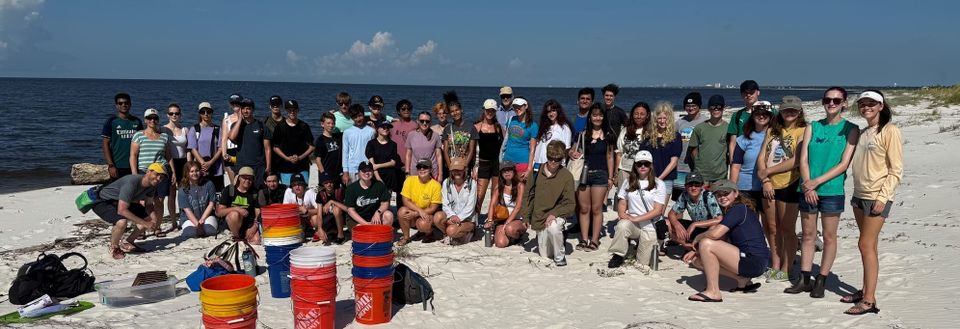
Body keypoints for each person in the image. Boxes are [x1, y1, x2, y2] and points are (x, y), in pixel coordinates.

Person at [788, 87, 859, 298]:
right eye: (828, 100)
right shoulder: (813, 127)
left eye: (837, 100)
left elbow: (844, 163)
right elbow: (803, 159)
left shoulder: (851, 129)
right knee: (808, 235)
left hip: (831, 190)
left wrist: (816, 182)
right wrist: (808, 184)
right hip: (807, 188)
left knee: (829, 236)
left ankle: (822, 279)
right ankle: (805, 278)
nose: (832, 103)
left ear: (844, 103)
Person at [844, 90, 903, 315]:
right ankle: (866, 289)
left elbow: (896, 170)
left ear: (881, 106)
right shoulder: (863, 132)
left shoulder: (890, 130)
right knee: (870, 246)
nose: (866, 107)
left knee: (865, 245)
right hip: (859, 195)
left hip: (876, 197)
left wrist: (883, 197)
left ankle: (869, 301)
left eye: (871, 103)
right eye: (863, 104)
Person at [682, 180, 771, 302]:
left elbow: (714, 235)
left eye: (726, 193)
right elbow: (721, 238)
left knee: (706, 243)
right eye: (719, 195)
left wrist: (697, 238)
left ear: (736, 193)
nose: (722, 197)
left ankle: (713, 291)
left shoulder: (738, 209)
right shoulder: (732, 211)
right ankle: (742, 280)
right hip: (751, 260)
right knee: (697, 261)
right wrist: (696, 251)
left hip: (753, 261)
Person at [755, 96, 806, 283]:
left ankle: (787, 267)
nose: (790, 113)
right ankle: (776, 265)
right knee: (772, 228)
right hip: (769, 184)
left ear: (799, 111)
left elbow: (797, 160)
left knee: (787, 229)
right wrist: (766, 179)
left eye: (793, 109)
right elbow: (762, 156)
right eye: (786, 110)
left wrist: (768, 171)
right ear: (781, 111)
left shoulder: (803, 130)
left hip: (789, 184)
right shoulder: (772, 130)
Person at [607, 151, 667, 268]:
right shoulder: (628, 181)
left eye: (646, 164)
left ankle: (642, 245)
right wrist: (622, 214)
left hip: (650, 225)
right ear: (635, 165)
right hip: (633, 223)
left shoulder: (659, 184)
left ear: (651, 165)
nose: (643, 166)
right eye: (639, 164)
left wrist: (635, 218)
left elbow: (658, 210)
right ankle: (618, 254)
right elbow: (622, 202)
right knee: (622, 225)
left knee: (643, 262)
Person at [521, 140, 576, 266]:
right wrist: (525, 216)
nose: (553, 162)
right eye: (550, 158)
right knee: (545, 254)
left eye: (557, 159)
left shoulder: (567, 176)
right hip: (539, 217)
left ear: (562, 159)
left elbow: (570, 204)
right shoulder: (536, 171)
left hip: (555, 216)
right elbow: (528, 195)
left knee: (554, 227)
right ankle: (557, 238)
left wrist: (554, 213)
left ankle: (560, 257)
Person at [93, 163, 164, 259]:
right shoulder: (132, 182)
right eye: (157, 174)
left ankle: (128, 242)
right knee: (121, 222)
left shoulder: (152, 186)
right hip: (103, 201)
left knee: (149, 219)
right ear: (148, 172)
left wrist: (154, 220)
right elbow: (122, 210)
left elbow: (149, 205)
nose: (159, 178)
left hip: (121, 202)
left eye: (162, 177)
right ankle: (114, 247)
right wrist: (145, 224)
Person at [641, 102, 684, 251]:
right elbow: (643, 158)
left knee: (659, 212)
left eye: (665, 118)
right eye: (659, 118)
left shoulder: (675, 137)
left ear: (669, 118)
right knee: (647, 211)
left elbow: (674, 161)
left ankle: (659, 244)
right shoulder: (648, 136)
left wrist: (659, 177)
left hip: (665, 180)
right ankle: (647, 240)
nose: (662, 121)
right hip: (647, 179)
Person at [572, 103, 614, 252]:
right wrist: (573, 153)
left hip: (601, 174)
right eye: (594, 115)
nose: (597, 118)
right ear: (590, 117)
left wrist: (611, 177)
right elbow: (573, 150)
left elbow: (610, 157)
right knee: (584, 208)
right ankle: (584, 239)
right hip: (583, 173)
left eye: (600, 115)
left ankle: (595, 240)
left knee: (597, 209)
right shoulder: (583, 134)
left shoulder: (608, 136)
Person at [130, 108, 173, 237]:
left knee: (159, 201)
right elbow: (133, 155)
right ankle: (141, 229)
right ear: (145, 120)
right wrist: (134, 173)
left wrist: (174, 173)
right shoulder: (138, 135)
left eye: (155, 118)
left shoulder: (164, 137)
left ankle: (157, 227)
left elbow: (169, 156)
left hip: (161, 173)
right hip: (144, 172)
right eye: (149, 118)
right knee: (143, 202)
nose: (152, 120)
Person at [666, 172, 723, 249]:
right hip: (695, 228)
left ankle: (699, 246)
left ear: (702, 186)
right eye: (690, 185)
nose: (693, 188)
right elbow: (671, 214)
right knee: (668, 223)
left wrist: (695, 224)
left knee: (714, 226)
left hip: (707, 228)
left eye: (697, 185)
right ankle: (685, 244)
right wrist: (677, 225)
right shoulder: (684, 195)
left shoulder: (708, 196)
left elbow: (719, 219)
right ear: (685, 186)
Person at [227, 98, 272, 188]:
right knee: (242, 190)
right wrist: (240, 119)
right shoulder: (236, 125)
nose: (245, 111)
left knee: (259, 191)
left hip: (258, 166)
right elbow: (231, 137)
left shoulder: (261, 126)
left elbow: (267, 148)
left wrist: (268, 166)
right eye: (243, 109)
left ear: (253, 109)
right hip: (242, 165)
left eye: (248, 108)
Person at [397, 159, 443, 245]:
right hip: (417, 212)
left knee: (423, 224)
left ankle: (429, 233)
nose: (422, 169)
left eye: (425, 167)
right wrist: (419, 211)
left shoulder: (436, 185)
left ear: (430, 169)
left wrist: (416, 214)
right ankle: (406, 237)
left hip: (427, 214)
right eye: (419, 167)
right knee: (402, 211)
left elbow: (433, 208)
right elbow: (405, 200)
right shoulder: (409, 180)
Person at [433, 158, 478, 244]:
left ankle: (468, 232)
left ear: (465, 169)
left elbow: (470, 206)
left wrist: (459, 218)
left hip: (467, 218)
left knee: (451, 230)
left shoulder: (472, 183)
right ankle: (447, 234)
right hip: (452, 217)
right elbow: (445, 204)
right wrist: (452, 216)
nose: (457, 172)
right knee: (437, 218)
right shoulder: (446, 182)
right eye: (454, 170)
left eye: (459, 169)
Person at [271, 99, 315, 185]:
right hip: (285, 167)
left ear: (298, 110)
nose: (292, 112)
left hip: (302, 166)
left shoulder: (304, 126)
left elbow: (312, 146)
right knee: (288, 192)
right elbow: (275, 147)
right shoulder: (280, 127)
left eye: (294, 110)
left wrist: (300, 157)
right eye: (289, 110)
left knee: (303, 191)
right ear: (286, 111)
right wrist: (287, 158)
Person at [473, 99, 505, 218]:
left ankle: (492, 219)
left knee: (495, 195)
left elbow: (504, 145)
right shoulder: (477, 127)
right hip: (482, 164)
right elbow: (471, 150)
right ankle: (474, 220)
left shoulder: (499, 128)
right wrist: (474, 168)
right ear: (483, 110)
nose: (490, 112)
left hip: (496, 163)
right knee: (479, 195)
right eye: (488, 110)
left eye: (492, 110)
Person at [101, 93, 143, 180]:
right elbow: (105, 144)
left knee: (133, 191)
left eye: (126, 103)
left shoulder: (137, 121)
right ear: (116, 106)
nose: (123, 105)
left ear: (130, 104)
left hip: (135, 164)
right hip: (118, 165)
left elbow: (142, 142)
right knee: (118, 191)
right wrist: (111, 165)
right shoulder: (111, 121)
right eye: (120, 103)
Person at [486, 161, 527, 248]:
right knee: (500, 244)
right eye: (504, 171)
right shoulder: (499, 186)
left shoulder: (520, 185)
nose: (507, 173)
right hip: (502, 218)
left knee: (510, 229)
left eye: (509, 170)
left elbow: (518, 207)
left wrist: (507, 222)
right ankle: (509, 237)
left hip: (517, 218)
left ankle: (518, 237)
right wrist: (490, 221)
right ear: (501, 174)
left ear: (514, 172)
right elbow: (492, 205)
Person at [689, 95, 729, 184]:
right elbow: (693, 149)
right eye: (713, 107)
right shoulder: (699, 128)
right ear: (708, 109)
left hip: (720, 176)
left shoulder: (728, 128)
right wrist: (698, 164)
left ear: (724, 108)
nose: (716, 109)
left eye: (719, 107)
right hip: (701, 175)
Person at [344, 161, 395, 232]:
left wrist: (378, 212)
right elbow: (350, 210)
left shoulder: (379, 185)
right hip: (357, 219)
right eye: (364, 171)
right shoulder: (351, 188)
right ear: (358, 172)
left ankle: (382, 237)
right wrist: (365, 224)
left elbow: (385, 203)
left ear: (373, 172)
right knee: (363, 232)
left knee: (388, 215)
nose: (367, 173)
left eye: (369, 170)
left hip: (374, 216)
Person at [162, 103, 189, 230]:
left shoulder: (185, 130)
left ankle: (184, 217)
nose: (174, 115)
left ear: (180, 115)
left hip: (183, 163)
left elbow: (189, 149)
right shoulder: (163, 130)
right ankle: (173, 221)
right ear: (167, 115)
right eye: (171, 113)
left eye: (177, 113)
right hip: (170, 163)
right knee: (171, 194)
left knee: (184, 192)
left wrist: (189, 164)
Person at [217, 166, 261, 244]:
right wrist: (237, 209)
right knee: (234, 214)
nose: (247, 180)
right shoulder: (229, 190)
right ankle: (237, 237)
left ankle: (242, 238)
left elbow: (258, 213)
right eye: (244, 178)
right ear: (239, 178)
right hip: (231, 224)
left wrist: (255, 227)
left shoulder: (254, 192)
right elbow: (219, 212)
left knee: (256, 240)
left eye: (250, 178)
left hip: (247, 224)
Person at [188, 101, 224, 192]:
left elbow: (221, 148)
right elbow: (193, 148)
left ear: (211, 113)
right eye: (203, 112)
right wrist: (203, 163)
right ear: (199, 114)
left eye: (208, 111)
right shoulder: (194, 129)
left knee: (217, 193)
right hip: (200, 168)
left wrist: (210, 162)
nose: (206, 114)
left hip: (216, 168)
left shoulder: (218, 129)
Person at [676, 92, 709, 191]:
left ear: (699, 106)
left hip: (699, 167)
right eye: (688, 106)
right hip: (681, 166)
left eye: (693, 105)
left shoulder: (706, 121)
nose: (690, 108)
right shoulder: (679, 123)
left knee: (697, 195)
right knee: (680, 197)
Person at [615, 102, 651, 190]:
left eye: (642, 114)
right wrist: (616, 173)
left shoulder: (651, 131)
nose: (639, 116)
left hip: (643, 171)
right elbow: (619, 153)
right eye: (636, 113)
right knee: (623, 197)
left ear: (647, 115)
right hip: (624, 170)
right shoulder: (625, 130)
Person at [177, 161, 218, 238]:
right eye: (191, 171)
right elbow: (187, 210)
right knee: (191, 233)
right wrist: (198, 225)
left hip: (206, 215)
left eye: (197, 170)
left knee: (209, 231)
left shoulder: (208, 184)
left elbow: (211, 203)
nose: (195, 173)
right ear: (186, 173)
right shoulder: (183, 189)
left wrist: (202, 219)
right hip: (189, 218)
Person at [502, 97, 539, 181]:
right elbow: (506, 139)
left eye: (519, 106)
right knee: (507, 189)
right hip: (507, 160)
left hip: (522, 161)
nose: (517, 109)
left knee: (520, 188)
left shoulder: (533, 125)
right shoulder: (511, 120)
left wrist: (529, 168)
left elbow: (532, 149)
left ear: (526, 106)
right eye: (515, 106)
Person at [441, 92, 477, 177]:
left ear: (461, 110)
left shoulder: (471, 127)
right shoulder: (447, 129)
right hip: (452, 166)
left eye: (457, 110)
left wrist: (465, 166)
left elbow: (472, 150)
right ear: (450, 114)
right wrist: (450, 167)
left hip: (465, 166)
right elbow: (445, 151)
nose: (455, 113)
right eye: (452, 112)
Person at [532, 99, 572, 173]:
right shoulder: (545, 127)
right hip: (538, 165)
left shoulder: (564, 128)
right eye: (548, 112)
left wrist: (558, 166)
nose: (551, 114)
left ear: (558, 111)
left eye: (553, 110)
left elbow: (566, 150)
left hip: (553, 168)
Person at [366, 121, 403, 201]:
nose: (386, 129)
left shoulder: (393, 144)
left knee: (392, 202)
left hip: (390, 178)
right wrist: (378, 178)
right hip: (375, 177)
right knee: (375, 201)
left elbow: (393, 163)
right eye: (383, 127)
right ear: (377, 129)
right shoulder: (371, 143)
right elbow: (372, 164)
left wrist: (378, 165)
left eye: (388, 127)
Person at [727, 80, 761, 163]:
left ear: (758, 92)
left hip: (762, 156)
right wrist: (732, 160)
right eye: (745, 93)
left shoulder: (770, 112)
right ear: (741, 95)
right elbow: (733, 141)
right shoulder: (737, 115)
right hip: (742, 158)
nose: (748, 95)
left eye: (752, 92)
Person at [282, 173, 321, 242]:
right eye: (294, 185)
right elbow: (285, 210)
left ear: (304, 185)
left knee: (315, 218)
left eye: (300, 184)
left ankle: (317, 231)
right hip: (297, 218)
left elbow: (320, 209)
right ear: (291, 187)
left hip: (309, 217)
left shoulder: (310, 192)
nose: (297, 187)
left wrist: (307, 211)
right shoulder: (288, 192)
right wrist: (295, 211)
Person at [342, 104, 376, 183]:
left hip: (367, 167)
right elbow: (345, 153)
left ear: (363, 115)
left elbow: (373, 151)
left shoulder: (371, 131)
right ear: (351, 118)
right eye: (355, 117)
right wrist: (345, 172)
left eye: (360, 116)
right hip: (352, 169)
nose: (358, 119)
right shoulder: (347, 132)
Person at [406, 111, 443, 180]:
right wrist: (407, 172)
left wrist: (440, 174)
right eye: (422, 121)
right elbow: (408, 155)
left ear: (430, 122)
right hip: (415, 172)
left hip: (431, 172)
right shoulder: (411, 135)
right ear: (417, 121)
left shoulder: (435, 135)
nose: (424, 123)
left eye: (427, 121)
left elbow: (439, 156)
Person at [314, 112, 345, 187]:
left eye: (333, 123)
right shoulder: (320, 140)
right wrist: (324, 174)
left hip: (338, 174)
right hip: (326, 174)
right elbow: (318, 160)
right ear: (322, 124)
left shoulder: (338, 136)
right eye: (328, 123)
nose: (331, 125)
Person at [316, 173, 348, 244]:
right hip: (328, 219)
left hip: (341, 218)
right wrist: (319, 228)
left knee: (336, 209)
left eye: (330, 182)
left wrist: (332, 201)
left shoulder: (340, 191)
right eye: (326, 183)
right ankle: (329, 232)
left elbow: (347, 209)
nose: (329, 184)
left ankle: (341, 235)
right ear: (323, 184)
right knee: (329, 238)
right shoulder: (320, 194)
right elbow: (319, 214)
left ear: (333, 182)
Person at [221, 93, 243, 185]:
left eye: (237, 102)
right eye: (232, 103)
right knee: (233, 183)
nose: (235, 105)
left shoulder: (245, 119)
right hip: (230, 151)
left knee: (243, 178)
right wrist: (224, 153)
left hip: (242, 150)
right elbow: (224, 138)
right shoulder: (227, 119)